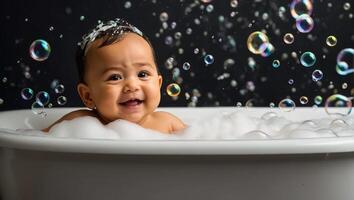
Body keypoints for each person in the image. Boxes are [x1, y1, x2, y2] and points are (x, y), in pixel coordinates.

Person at [43, 18, 186, 133]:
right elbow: (35, 144)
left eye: (142, 74)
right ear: (88, 96)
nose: (132, 86)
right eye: (115, 77)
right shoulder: (79, 123)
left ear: (158, 84)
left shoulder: (167, 124)